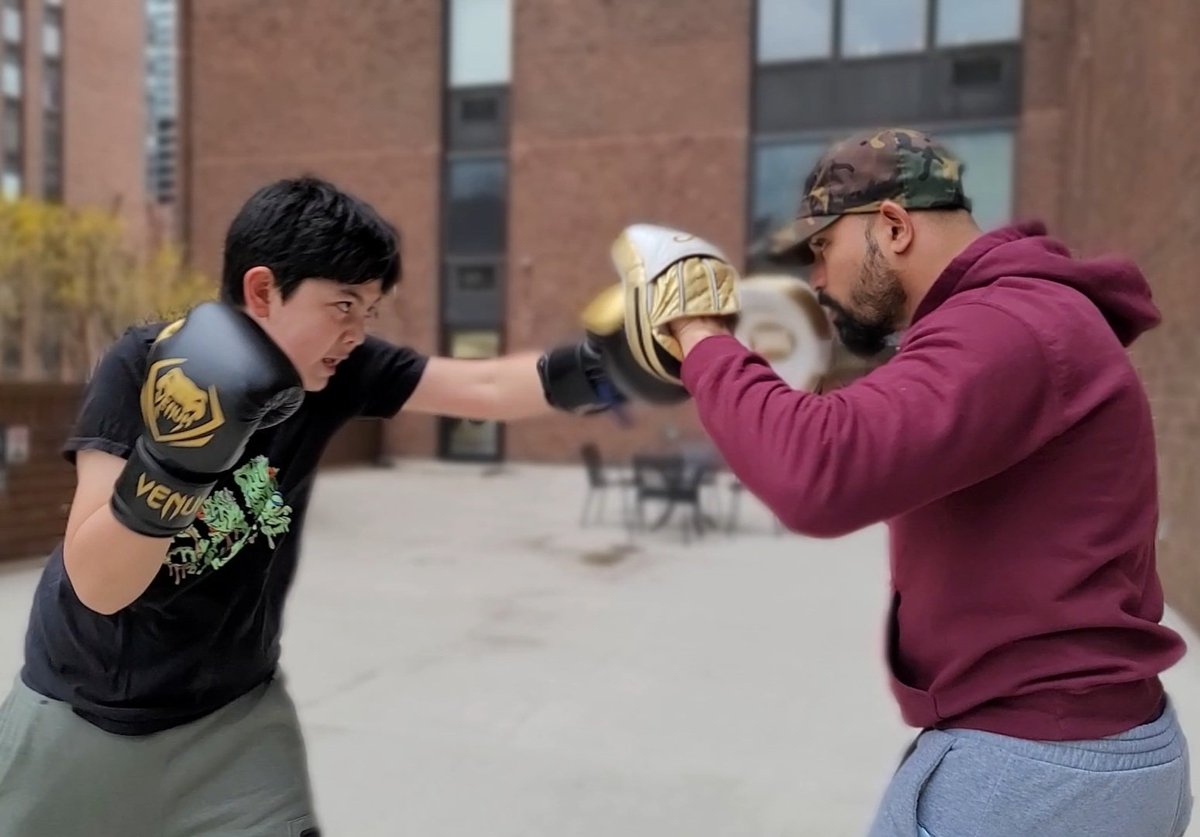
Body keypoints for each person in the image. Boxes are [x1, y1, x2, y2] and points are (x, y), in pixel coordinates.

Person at [601, 127, 1193, 836]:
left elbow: (820, 473)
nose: (816, 279)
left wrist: (697, 331)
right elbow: (863, 446)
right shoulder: (1015, 320)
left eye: (822, 247)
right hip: (1067, 752)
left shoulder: (1007, 322)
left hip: (1038, 770)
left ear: (892, 224)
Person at [0, 176, 626, 836]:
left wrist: (604, 368)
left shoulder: (334, 370)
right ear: (263, 290)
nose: (358, 332)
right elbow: (97, 584)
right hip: (81, 715)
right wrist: (179, 460)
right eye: (344, 305)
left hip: (234, 719)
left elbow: (482, 384)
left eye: (371, 312)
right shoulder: (145, 365)